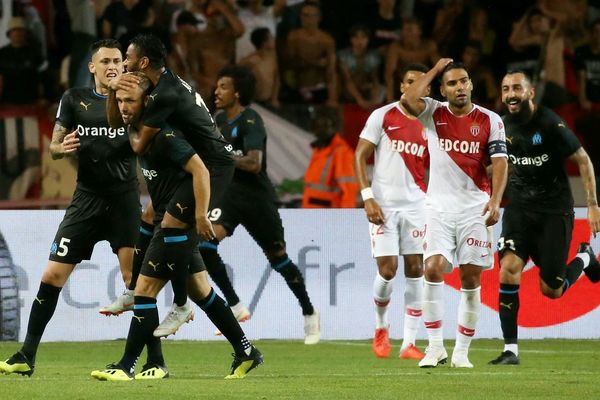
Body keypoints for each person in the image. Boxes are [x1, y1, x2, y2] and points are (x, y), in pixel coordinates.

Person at [91, 73, 263, 381]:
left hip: (175, 223)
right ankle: (246, 351)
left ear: (147, 101)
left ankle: (127, 365)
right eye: (120, 101)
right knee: (202, 291)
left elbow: (200, 170)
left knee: (145, 292)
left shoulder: (165, 136)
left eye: (131, 100)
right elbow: (118, 118)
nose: (124, 106)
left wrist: (200, 215)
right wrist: (116, 92)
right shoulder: (136, 128)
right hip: (163, 218)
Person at [0, 39, 138, 376]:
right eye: (105, 60)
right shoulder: (74, 99)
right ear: (92, 67)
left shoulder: (133, 100)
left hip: (123, 200)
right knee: (51, 276)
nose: (112, 66)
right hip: (86, 201)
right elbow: (55, 149)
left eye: (118, 60)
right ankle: (26, 356)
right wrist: (63, 147)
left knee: (135, 283)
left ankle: (152, 361)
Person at [401, 58, 508, 368]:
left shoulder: (491, 120)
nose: (460, 87)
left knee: (470, 277)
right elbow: (408, 99)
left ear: (471, 84)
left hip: (475, 208)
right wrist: (434, 70)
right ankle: (435, 347)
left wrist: (496, 200)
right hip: (438, 209)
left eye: (464, 81)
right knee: (432, 268)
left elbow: (500, 163)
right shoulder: (433, 113)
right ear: (443, 90)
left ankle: (461, 352)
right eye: (452, 83)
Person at [488, 71, 600, 366]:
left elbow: (583, 159)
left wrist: (591, 205)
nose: (511, 94)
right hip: (520, 210)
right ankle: (510, 349)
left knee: (552, 290)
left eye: (516, 88)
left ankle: (585, 258)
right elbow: (498, 165)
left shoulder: (550, 123)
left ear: (530, 93)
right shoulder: (500, 125)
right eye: (505, 89)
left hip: (554, 212)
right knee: (508, 269)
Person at [207, 65, 320, 344]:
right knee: (203, 244)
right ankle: (234, 305)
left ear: (238, 92)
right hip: (229, 196)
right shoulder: (219, 120)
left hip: (257, 198)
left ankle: (308, 311)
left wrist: (223, 158)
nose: (216, 91)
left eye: (223, 87)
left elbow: (254, 162)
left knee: (278, 257)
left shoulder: (251, 120)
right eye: (217, 86)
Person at [355, 63, 429, 360]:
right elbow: (360, 155)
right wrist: (368, 197)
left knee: (416, 269)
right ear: (401, 87)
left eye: (421, 83)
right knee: (388, 270)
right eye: (410, 82)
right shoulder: (382, 115)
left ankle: (408, 342)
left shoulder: (433, 122)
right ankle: (381, 326)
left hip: (417, 206)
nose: (415, 87)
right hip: (384, 205)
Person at [302, 108, 359, 209]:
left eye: (324, 126)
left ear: (334, 126)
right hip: (311, 211)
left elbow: (349, 189)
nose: (320, 130)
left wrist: (347, 217)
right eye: (317, 126)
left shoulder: (342, 152)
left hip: (330, 215)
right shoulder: (319, 150)